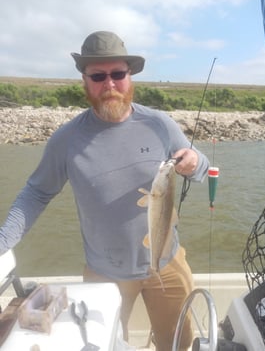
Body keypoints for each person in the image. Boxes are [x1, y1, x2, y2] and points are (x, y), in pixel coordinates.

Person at [0, 31, 209, 351]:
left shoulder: (160, 124)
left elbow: (201, 169)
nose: (109, 84)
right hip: (105, 273)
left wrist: (194, 163)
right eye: (98, 76)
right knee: (107, 343)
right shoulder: (67, 140)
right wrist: (3, 242)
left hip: (167, 261)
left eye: (118, 74)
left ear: (129, 76)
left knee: (179, 341)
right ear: (84, 80)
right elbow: (35, 194)